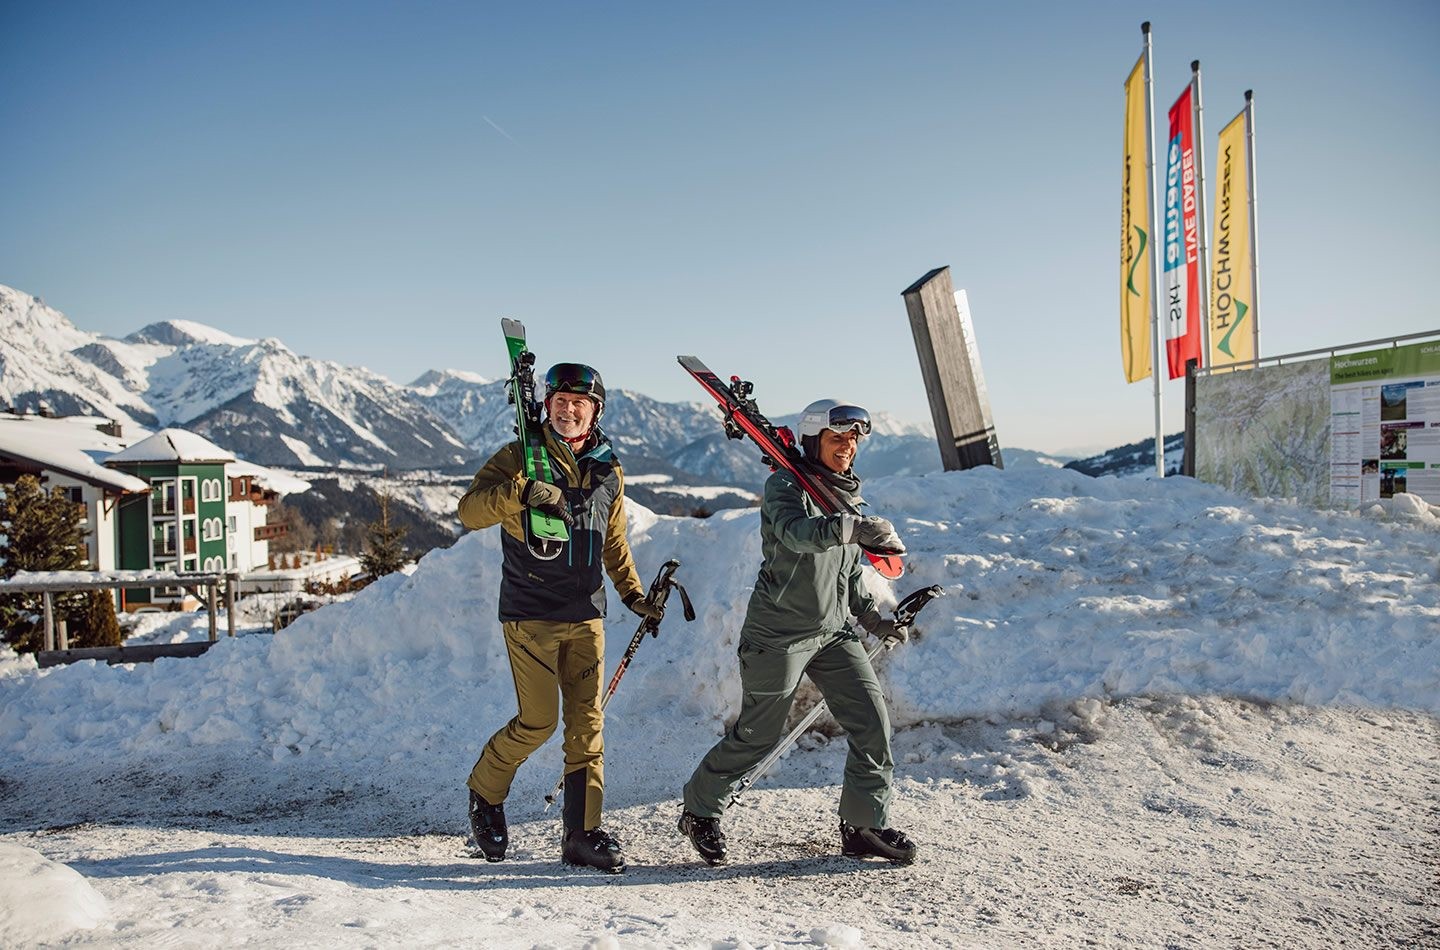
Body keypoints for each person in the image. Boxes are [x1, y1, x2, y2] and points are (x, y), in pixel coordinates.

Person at [678, 398, 917, 866]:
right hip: (778, 635)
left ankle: (863, 825)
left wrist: (874, 620)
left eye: (853, 439)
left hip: (832, 633)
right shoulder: (785, 487)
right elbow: (796, 533)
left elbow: (847, 578)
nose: (847, 446)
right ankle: (700, 810)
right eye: (836, 438)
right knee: (758, 735)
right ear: (812, 440)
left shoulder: (848, 498)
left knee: (872, 724)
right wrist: (852, 526)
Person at [457, 362, 659, 874]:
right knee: (539, 720)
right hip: (530, 613)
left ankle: (582, 833)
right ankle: (485, 790)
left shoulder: (608, 469)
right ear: (546, 405)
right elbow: (469, 511)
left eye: (580, 403)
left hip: (586, 612)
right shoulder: (519, 458)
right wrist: (518, 493)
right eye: (561, 402)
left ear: (596, 411)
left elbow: (612, 541)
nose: (569, 411)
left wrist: (634, 595)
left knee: (588, 726)